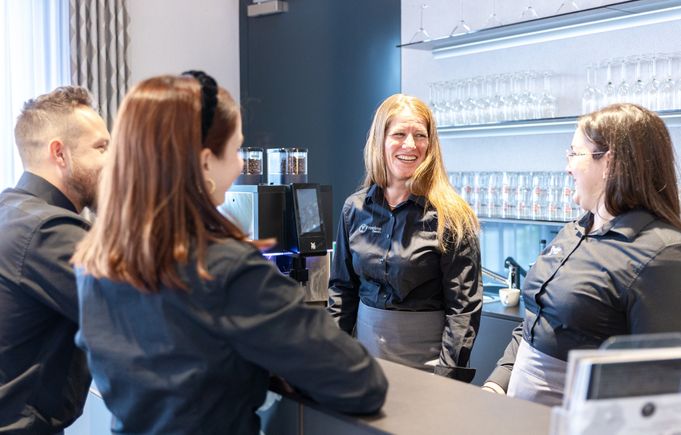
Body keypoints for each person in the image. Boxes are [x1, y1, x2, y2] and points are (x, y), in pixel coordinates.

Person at [71, 72, 388, 434]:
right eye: (236, 150)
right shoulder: (225, 270)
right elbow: (360, 381)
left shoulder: (94, 264)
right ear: (205, 162)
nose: (240, 165)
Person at [483, 103, 681, 406]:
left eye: (575, 154)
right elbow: (535, 322)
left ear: (610, 163)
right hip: (516, 413)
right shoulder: (573, 230)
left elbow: (659, 382)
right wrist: (497, 383)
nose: (568, 167)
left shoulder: (662, 253)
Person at [327, 93, 483, 381]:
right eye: (399, 134)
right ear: (380, 140)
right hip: (364, 357)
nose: (410, 145)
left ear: (430, 145)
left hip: (426, 362)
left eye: (420, 135)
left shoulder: (452, 216)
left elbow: (463, 310)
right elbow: (342, 290)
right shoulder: (354, 209)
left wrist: (446, 378)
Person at [0, 86, 110, 433]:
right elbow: (143, 312)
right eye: (101, 148)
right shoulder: (49, 232)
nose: (113, 161)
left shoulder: (11, 210)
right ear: (60, 154)